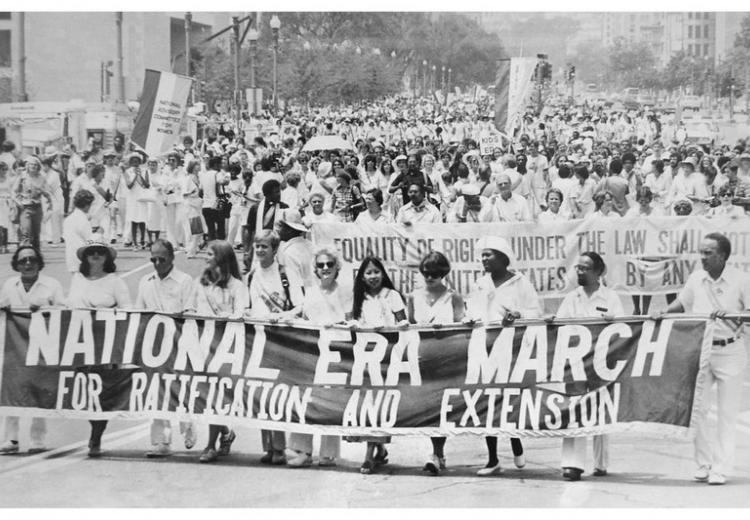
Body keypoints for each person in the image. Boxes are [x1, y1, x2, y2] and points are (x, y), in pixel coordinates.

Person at [657, 232, 750, 485]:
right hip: (701, 349)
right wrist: (662, 313)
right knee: (697, 409)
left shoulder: (742, 280)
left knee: (727, 415)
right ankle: (703, 463)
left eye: (708, 253)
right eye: (701, 252)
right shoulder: (697, 278)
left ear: (723, 256)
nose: (702, 257)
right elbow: (682, 303)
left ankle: (720, 468)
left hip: (731, 351)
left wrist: (733, 314)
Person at [467, 236, 540, 476]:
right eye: (483, 255)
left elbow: (534, 310)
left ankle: (516, 444)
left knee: (509, 400)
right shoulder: (480, 283)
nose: (484, 259)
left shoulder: (520, 283)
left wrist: (518, 314)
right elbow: (472, 311)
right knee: (488, 401)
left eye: (489, 255)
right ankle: (492, 458)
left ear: (503, 257)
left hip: (512, 347)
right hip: (485, 347)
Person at [550, 251, 623, 481]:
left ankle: (601, 463)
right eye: (578, 268)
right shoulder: (572, 298)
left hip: (602, 360)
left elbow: (623, 328)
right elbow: (560, 325)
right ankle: (572, 464)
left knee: (601, 409)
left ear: (598, 272)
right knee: (575, 409)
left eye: (585, 268)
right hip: (577, 361)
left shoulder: (610, 298)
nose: (579, 271)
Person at [66, 234, 132, 457]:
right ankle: (93, 427)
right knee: (84, 391)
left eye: (100, 252)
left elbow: (128, 311)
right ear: (84, 257)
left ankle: (96, 435)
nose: (95, 255)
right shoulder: (78, 279)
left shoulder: (115, 282)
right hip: (82, 343)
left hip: (107, 344)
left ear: (107, 257)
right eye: (91, 252)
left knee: (102, 392)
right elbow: (68, 307)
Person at [286, 247, 349, 468]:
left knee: (329, 402)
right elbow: (300, 312)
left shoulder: (345, 291)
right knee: (305, 399)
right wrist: (279, 317)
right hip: (312, 351)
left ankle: (328, 454)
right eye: (320, 265)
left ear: (336, 267)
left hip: (337, 351)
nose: (325, 269)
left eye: (329, 265)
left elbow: (352, 321)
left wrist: (339, 326)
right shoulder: (311, 291)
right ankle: (302, 450)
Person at [134, 239, 197, 458]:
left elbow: (190, 312)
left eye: (162, 259)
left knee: (182, 392)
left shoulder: (184, 280)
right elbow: (139, 314)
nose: (157, 263)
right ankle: (161, 441)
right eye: (153, 259)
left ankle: (189, 427)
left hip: (178, 343)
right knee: (156, 394)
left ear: (172, 257)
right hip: (153, 347)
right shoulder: (145, 281)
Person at [347, 256, 409, 474]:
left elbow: (403, 323)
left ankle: (369, 455)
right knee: (367, 405)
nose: (373, 276)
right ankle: (377, 448)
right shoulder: (357, 298)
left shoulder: (392, 296)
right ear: (362, 277)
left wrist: (397, 325)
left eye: (376, 272)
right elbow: (351, 323)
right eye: (368, 273)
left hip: (387, 357)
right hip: (365, 358)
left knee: (380, 405)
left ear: (383, 273)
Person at [247, 230, 304, 465]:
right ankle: (268, 446)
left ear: (274, 249)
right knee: (260, 393)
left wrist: (281, 317)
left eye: (264, 247)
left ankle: (280, 447)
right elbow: (251, 304)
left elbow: (300, 305)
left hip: (282, 339)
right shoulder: (252, 274)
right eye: (257, 246)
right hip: (260, 337)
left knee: (276, 393)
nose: (260, 251)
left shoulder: (286, 273)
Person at [0, 244, 64, 454]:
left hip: (43, 344)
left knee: (40, 390)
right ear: (16, 265)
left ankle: (38, 439)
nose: (28, 264)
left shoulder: (51, 285)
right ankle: (11, 439)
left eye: (32, 260)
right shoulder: (10, 285)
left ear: (39, 263)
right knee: (12, 389)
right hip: (16, 345)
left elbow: (65, 311)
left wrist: (45, 309)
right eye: (23, 261)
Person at [406, 252, 465, 476]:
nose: (430, 277)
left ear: (443, 274)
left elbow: (461, 325)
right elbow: (410, 325)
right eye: (426, 273)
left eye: (435, 274)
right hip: (424, 356)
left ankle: (436, 453)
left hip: (448, 357)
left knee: (443, 407)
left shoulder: (454, 297)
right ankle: (437, 453)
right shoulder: (413, 297)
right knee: (429, 407)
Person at [192, 240, 247, 463]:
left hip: (224, 347)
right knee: (206, 397)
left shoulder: (236, 287)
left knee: (216, 396)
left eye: (210, 253)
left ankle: (210, 445)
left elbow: (241, 314)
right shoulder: (201, 283)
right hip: (202, 345)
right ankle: (226, 431)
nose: (206, 257)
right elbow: (192, 307)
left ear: (222, 258)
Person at [12, 156, 53, 251]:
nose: (33, 166)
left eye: (35, 164)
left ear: (38, 166)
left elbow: (47, 191)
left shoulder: (41, 177)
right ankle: (25, 254)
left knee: (36, 234)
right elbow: (14, 192)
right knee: (26, 231)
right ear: (27, 165)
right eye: (31, 164)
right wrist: (18, 202)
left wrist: (49, 200)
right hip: (25, 207)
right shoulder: (22, 177)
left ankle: (36, 255)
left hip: (37, 207)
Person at [63, 189, 94, 273]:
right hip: (83, 260)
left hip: (71, 259)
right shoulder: (83, 220)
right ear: (88, 205)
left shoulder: (68, 219)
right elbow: (90, 241)